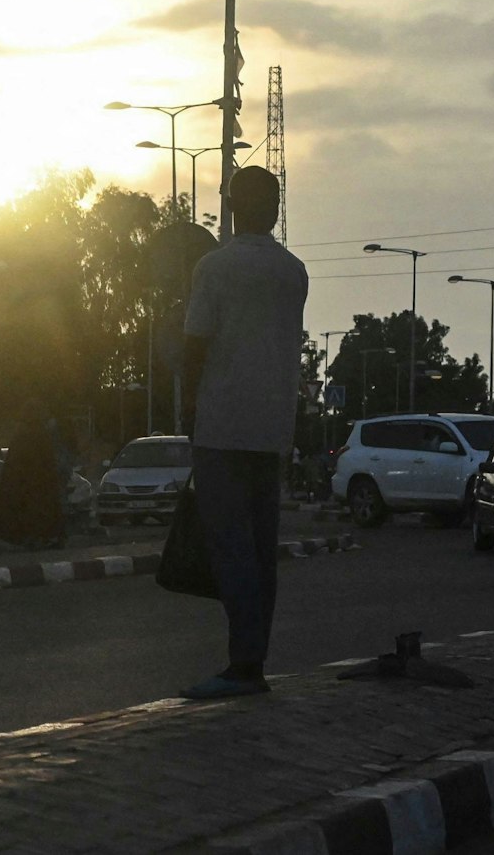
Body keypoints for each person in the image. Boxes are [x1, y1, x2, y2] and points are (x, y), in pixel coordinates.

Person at [179, 166, 309, 701]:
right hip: (272, 425)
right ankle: (254, 658)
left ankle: (242, 665)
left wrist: (188, 413)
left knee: (230, 546)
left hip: (222, 423)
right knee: (259, 549)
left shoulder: (214, 268)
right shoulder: (294, 272)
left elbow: (194, 346)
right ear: (276, 209)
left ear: (232, 207)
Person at [0, 399, 64, 550]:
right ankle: (39, 537)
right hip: (37, 483)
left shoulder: (22, 433)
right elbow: (46, 461)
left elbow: (15, 460)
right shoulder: (40, 433)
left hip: (19, 482)